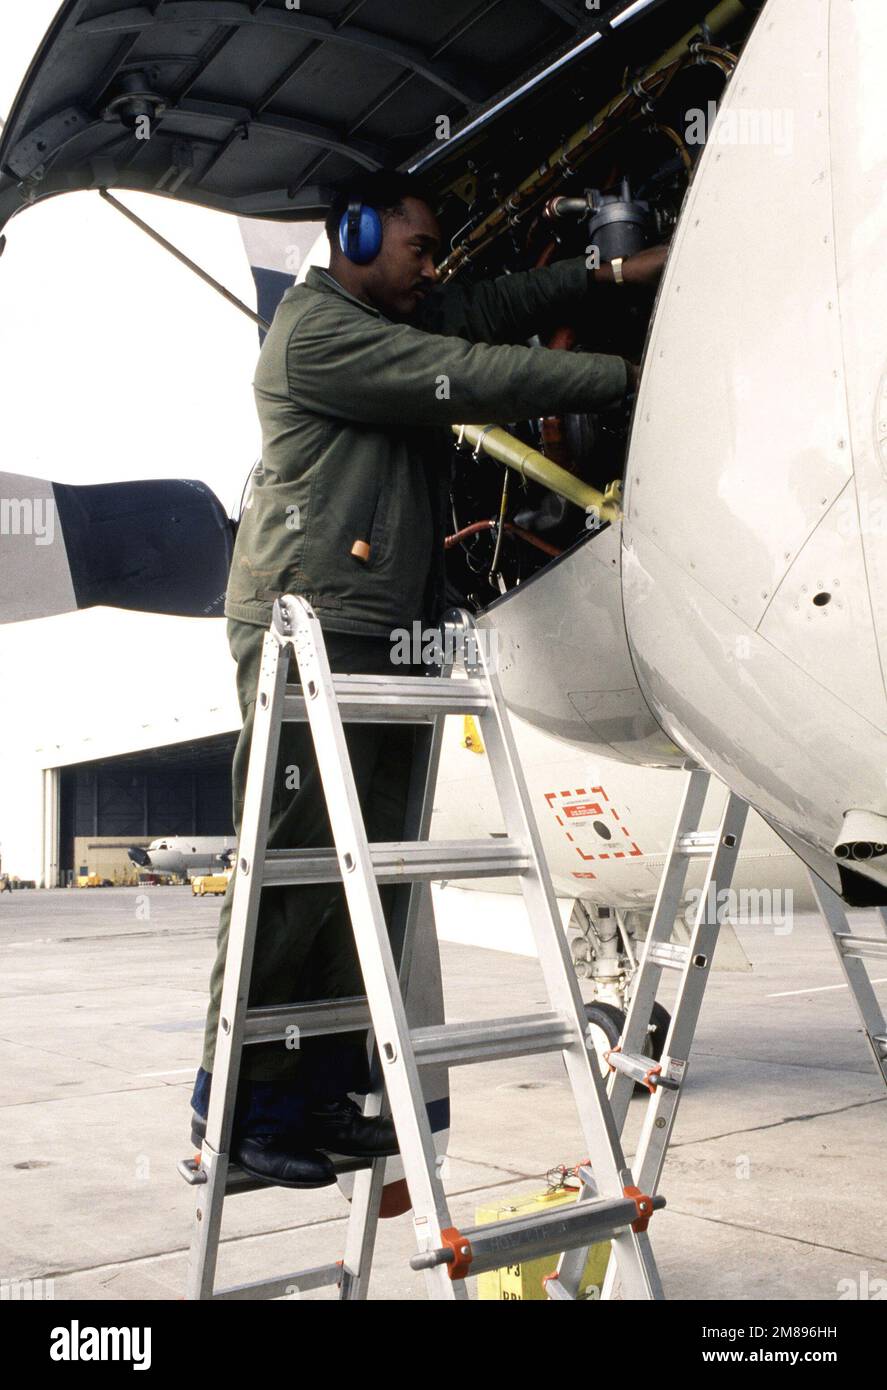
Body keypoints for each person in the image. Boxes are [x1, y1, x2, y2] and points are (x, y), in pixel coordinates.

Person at [191, 169, 664, 1188]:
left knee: (362, 879)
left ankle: (319, 1094)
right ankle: (233, 1111)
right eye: (418, 247)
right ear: (355, 234)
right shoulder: (322, 335)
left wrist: (604, 269)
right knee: (293, 866)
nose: (433, 266)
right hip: (307, 624)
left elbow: (493, 305)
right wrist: (629, 379)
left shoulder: (383, 305)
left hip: (384, 625)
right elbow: (466, 366)